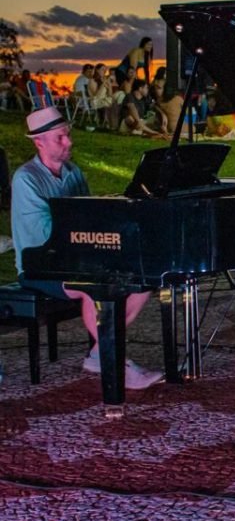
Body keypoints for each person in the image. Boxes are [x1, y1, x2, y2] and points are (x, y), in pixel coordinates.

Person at [10, 107, 163, 390]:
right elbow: (42, 235)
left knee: (142, 281)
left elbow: (89, 217)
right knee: (92, 286)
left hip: (75, 258)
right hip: (39, 266)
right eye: (60, 138)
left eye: (67, 135)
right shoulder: (26, 178)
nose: (69, 143)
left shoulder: (74, 172)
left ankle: (98, 352)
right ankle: (116, 363)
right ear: (38, 141)